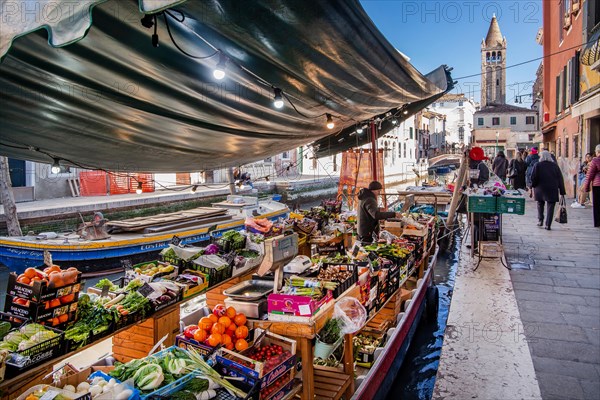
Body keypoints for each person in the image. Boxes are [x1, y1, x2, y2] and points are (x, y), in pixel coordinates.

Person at [531, 151, 566, 230]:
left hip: (540, 188)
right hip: (552, 188)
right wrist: (562, 191)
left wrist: (532, 186)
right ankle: (548, 224)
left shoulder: (537, 165)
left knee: (540, 204)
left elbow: (533, 177)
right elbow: (560, 179)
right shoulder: (555, 166)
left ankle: (540, 220)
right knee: (551, 206)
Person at [582, 144, 600, 227]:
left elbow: (590, 175)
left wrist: (586, 187)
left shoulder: (595, 160)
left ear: (597, 152)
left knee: (597, 205)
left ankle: (598, 223)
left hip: (597, 185)